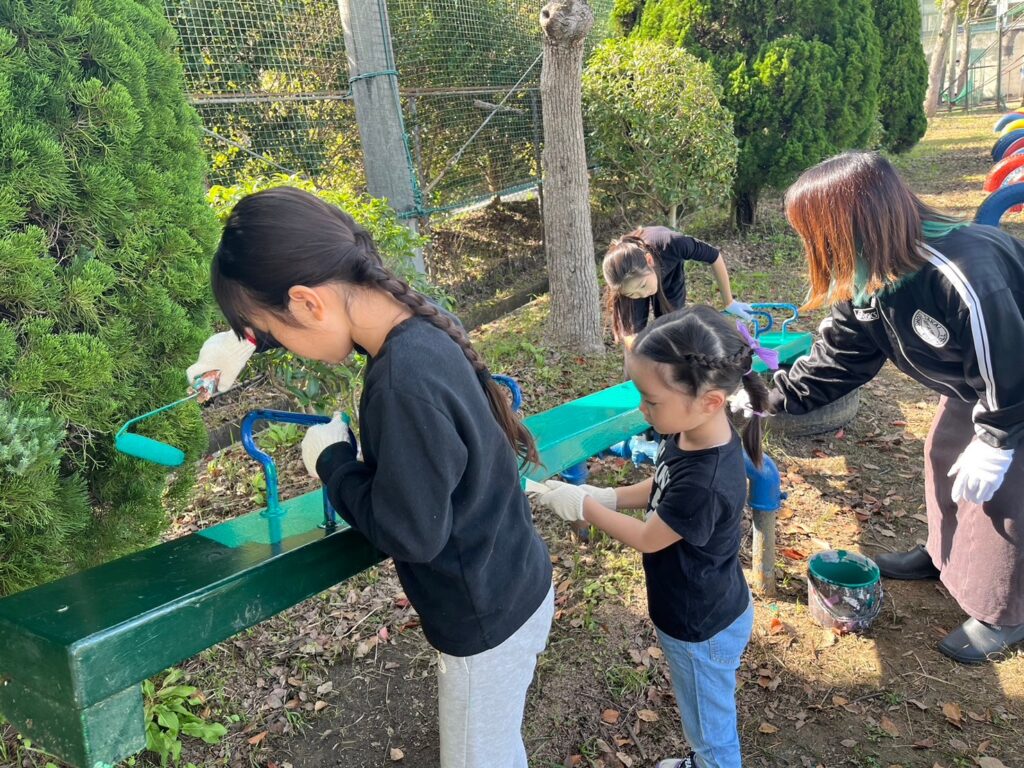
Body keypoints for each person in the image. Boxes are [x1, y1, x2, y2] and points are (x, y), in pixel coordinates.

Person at [186, 186, 554, 766]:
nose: (284, 347)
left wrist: (332, 464)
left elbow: (411, 532)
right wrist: (242, 341)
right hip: (516, 579)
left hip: (485, 619)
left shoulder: (399, 384)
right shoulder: (417, 328)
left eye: (275, 334)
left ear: (307, 302)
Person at [732, 150, 1024, 664]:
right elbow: (837, 362)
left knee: (1005, 498)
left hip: (1014, 395)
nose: (811, 244)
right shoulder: (872, 279)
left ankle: (1005, 611)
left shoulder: (966, 270)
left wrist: (998, 439)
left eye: (813, 229)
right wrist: (758, 396)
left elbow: (1009, 359)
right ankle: (945, 557)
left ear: (851, 219)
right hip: (971, 390)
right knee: (942, 457)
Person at [534, 305, 775, 768]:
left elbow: (650, 537)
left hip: (700, 624)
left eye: (651, 400)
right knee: (703, 716)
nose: (642, 410)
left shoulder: (707, 480)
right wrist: (608, 495)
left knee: (710, 730)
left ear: (709, 399)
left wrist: (583, 506)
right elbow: (662, 485)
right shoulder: (688, 432)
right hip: (706, 603)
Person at [602, 226, 754, 349]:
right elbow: (630, 337)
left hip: (669, 275)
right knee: (637, 340)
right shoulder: (623, 279)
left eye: (642, 286)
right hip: (636, 276)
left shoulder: (673, 244)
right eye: (632, 293)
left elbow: (714, 257)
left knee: (672, 328)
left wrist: (729, 302)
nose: (642, 294)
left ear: (649, 260)